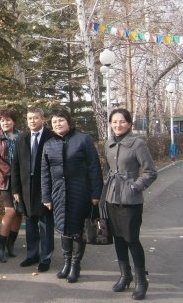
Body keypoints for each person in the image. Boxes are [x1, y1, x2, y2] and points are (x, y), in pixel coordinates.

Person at [41, 108, 103, 283]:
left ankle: (76, 264)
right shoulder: (49, 144)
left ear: (68, 121)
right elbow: (45, 173)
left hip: (80, 192)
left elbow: (94, 168)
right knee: (63, 229)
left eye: (61, 120)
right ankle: (66, 262)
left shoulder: (83, 140)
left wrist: (95, 193)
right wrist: (46, 197)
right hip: (58, 193)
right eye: (54, 122)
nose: (58, 124)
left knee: (77, 231)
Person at [104, 108, 157, 300]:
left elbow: (151, 172)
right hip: (111, 198)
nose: (118, 125)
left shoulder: (137, 143)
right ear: (110, 124)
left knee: (131, 239)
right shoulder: (108, 143)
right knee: (118, 238)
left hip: (131, 199)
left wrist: (135, 187)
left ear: (129, 124)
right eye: (114, 122)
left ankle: (141, 280)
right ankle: (124, 275)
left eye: (122, 122)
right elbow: (108, 168)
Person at [11, 107, 55, 272]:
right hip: (25, 188)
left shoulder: (51, 137)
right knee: (30, 223)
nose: (32, 121)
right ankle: (32, 255)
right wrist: (15, 189)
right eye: (29, 118)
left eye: (35, 118)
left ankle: (45, 257)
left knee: (45, 224)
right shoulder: (21, 138)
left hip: (44, 187)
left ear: (42, 119)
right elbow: (14, 165)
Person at [0, 108, 22, 263]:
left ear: (13, 121)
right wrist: (10, 171)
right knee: (10, 211)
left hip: (22, 180)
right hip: (5, 179)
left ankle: (11, 244)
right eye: (2, 120)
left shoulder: (22, 136)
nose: (5, 122)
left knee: (20, 213)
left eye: (8, 120)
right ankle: (0, 247)